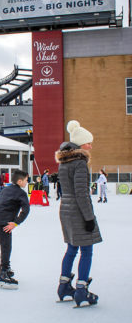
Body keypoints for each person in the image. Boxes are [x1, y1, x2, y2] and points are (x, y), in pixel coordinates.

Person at [55, 120, 102, 307]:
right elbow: (82, 193)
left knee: (72, 249)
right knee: (87, 250)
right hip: (78, 211)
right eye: (88, 142)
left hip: (65, 210)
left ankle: (64, 285)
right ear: (81, 143)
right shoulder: (80, 163)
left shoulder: (64, 162)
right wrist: (89, 217)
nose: (90, 146)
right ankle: (81, 290)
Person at [0, 169, 30, 289]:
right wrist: (15, 223)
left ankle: (6, 268)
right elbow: (26, 210)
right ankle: (3, 275)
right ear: (20, 181)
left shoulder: (5, 189)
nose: (27, 182)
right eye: (26, 180)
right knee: (6, 246)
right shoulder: (21, 193)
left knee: (5, 245)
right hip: (4, 223)